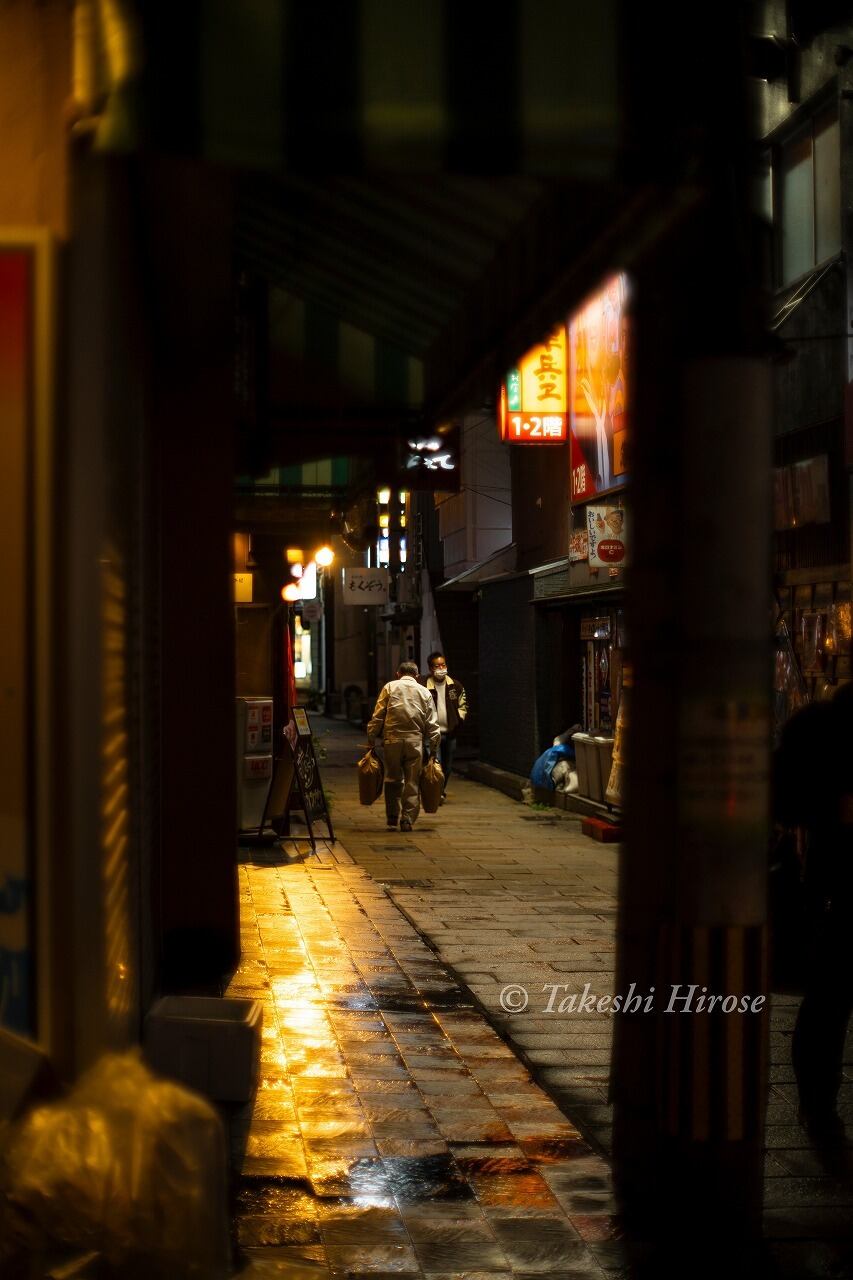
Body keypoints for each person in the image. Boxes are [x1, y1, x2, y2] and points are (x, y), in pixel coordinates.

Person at [774, 683, 853, 1147]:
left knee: (828, 1004)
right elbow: (786, 800)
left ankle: (819, 1107)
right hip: (834, 886)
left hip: (832, 886)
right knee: (829, 1002)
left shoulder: (815, 725)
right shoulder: (821, 729)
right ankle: (819, 1108)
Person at [367, 661, 440, 832]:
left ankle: (392, 817)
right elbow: (432, 722)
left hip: (392, 740)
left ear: (398, 674)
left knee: (393, 778)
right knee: (412, 781)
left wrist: (371, 738)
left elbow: (378, 715)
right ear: (417, 676)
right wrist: (434, 748)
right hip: (415, 741)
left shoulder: (389, 687)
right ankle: (407, 819)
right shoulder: (424, 691)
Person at [422, 651, 467, 803]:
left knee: (447, 767)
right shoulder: (423, 686)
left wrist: (459, 720)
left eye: (443, 665)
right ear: (431, 668)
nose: (441, 668)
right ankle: (435, 794)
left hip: (450, 733)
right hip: (432, 734)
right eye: (437, 666)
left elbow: (463, 705)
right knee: (436, 764)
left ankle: (439, 791)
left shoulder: (455, 686)